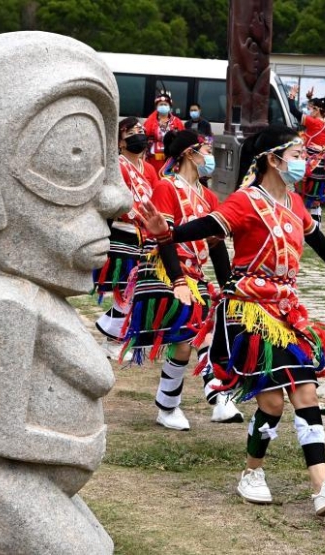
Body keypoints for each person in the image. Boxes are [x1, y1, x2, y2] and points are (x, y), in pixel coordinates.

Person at [137, 124, 325, 517]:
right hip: (248, 311)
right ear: (273, 159)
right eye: (297, 154)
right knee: (276, 400)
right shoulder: (246, 201)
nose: (304, 161)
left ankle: (311, 482)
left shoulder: (296, 204)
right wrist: (168, 232)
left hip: (286, 310)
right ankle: (273, 476)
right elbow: (206, 227)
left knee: (298, 393)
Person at [121, 129, 238, 429]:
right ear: (190, 152)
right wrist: (177, 280)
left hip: (195, 275)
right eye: (207, 149)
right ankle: (174, 405)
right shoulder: (166, 188)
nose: (210, 156)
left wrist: (227, 287)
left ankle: (214, 397)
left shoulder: (209, 196)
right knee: (188, 336)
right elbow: (164, 238)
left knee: (208, 333)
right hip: (164, 268)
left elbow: (216, 244)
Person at [93, 117, 157, 360]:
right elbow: (110, 198)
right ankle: (112, 339)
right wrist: (132, 213)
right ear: (120, 142)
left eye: (140, 130)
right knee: (125, 288)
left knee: (135, 289)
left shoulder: (148, 168)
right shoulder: (117, 166)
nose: (137, 134)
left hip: (145, 235)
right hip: (123, 231)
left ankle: (117, 336)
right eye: (131, 132)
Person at [288, 85, 325, 226]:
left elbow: (293, 110)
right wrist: (310, 99)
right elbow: (321, 107)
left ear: (318, 110)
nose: (308, 111)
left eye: (311, 108)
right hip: (323, 166)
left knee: (300, 196)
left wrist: (292, 95)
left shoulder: (313, 123)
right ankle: (315, 230)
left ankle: (299, 226)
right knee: (316, 201)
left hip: (311, 167)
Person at [144, 92, 185, 176]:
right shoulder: (150, 121)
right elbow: (144, 136)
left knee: (169, 179)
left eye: (165, 104)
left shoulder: (177, 122)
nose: (163, 106)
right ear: (156, 107)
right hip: (153, 158)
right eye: (161, 104)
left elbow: (183, 138)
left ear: (169, 106)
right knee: (153, 177)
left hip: (171, 157)